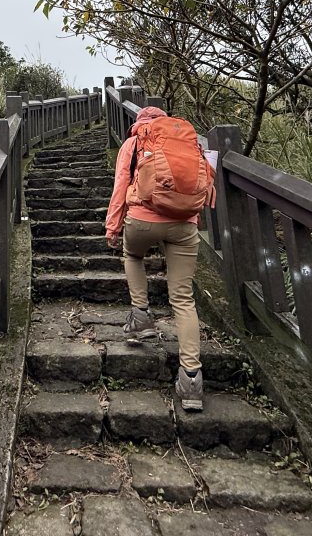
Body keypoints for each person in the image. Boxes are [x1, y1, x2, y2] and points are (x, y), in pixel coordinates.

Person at [105, 105, 204, 411]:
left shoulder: (134, 142)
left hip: (142, 219)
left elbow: (121, 184)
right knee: (184, 299)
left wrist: (113, 226)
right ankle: (191, 380)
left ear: (140, 123)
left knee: (132, 254)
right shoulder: (189, 142)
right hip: (185, 223)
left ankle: (141, 315)